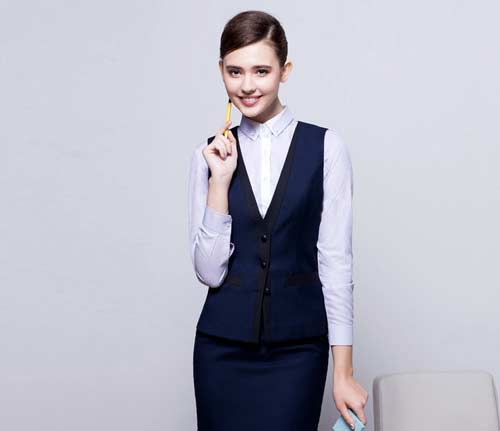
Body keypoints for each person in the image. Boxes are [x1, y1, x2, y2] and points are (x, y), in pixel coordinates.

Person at [188, 10, 368, 431]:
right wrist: (220, 182)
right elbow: (208, 272)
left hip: (298, 350)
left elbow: (336, 263)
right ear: (221, 70)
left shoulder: (326, 147)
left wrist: (343, 373)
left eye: (261, 71)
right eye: (235, 71)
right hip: (220, 351)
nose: (247, 85)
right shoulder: (207, 155)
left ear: (285, 71)